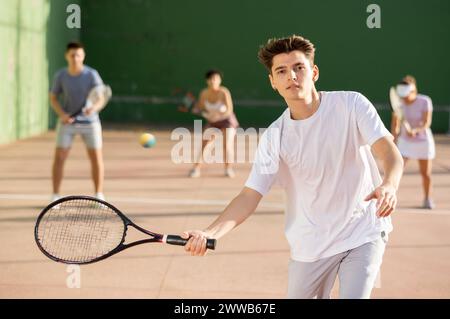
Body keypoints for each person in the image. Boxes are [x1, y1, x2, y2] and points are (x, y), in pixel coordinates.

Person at [181, 35, 404, 299]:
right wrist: (209, 232)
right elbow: (249, 195)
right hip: (311, 245)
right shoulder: (275, 136)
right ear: (273, 82)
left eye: (299, 67)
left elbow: (389, 152)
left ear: (314, 72)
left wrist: (389, 184)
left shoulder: (351, 104)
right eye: (281, 71)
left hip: (363, 232)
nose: (292, 76)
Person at [49, 41, 106, 202]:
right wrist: (62, 114)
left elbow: (101, 98)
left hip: (90, 123)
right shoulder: (60, 75)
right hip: (68, 123)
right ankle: (55, 196)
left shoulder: (91, 75)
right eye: (72, 55)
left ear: (83, 56)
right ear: (67, 56)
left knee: (96, 157)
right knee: (59, 157)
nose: (75, 58)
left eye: (78, 55)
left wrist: (93, 108)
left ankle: (99, 195)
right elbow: (53, 98)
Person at [391, 75, 436, 209]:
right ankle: (390, 197)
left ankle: (428, 199)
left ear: (413, 91)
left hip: (423, 141)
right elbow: (395, 124)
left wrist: (416, 130)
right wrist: (394, 136)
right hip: (405, 142)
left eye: (406, 95)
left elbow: (427, 122)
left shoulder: (425, 101)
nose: (404, 98)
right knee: (396, 170)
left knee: (426, 174)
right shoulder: (399, 103)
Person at [189, 70, 239, 178]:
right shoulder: (203, 93)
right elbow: (201, 109)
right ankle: (196, 169)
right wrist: (197, 110)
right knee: (204, 144)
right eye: (211, 79)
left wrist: (218, 116)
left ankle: (228, 169)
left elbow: (229, 110)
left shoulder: (224, 92)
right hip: (212, 122)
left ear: (220, 80)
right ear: (207, 81)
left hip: (227, 121)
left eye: (216, 79)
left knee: (227, 145)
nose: (213, 81)